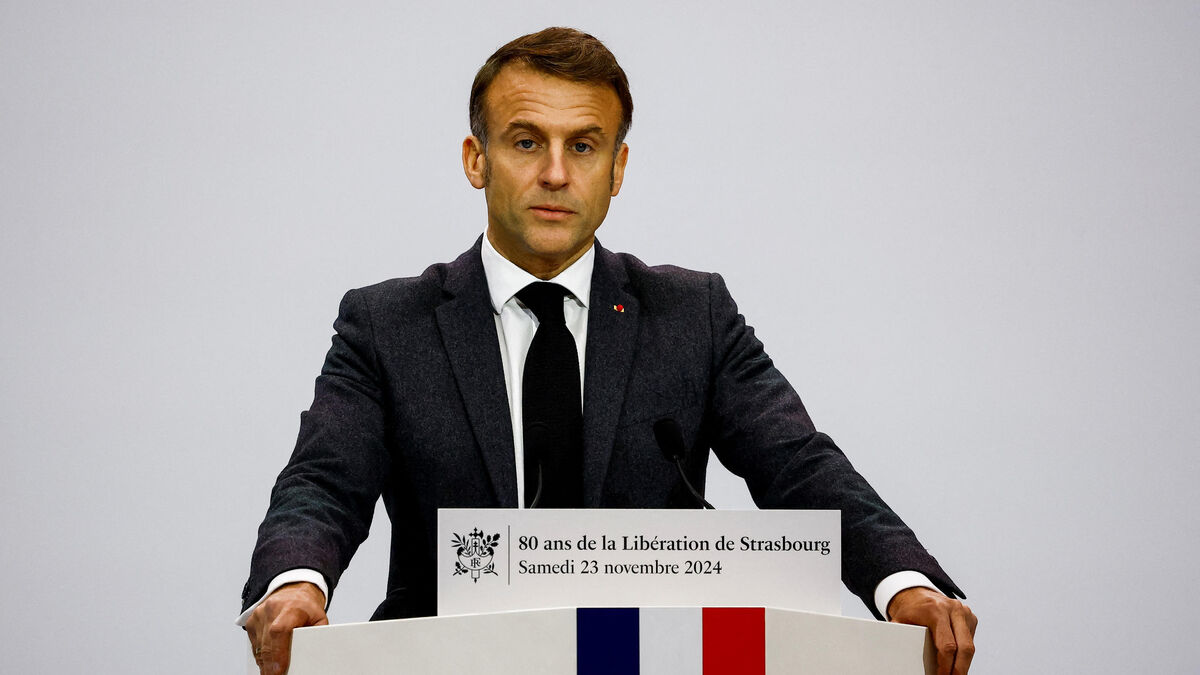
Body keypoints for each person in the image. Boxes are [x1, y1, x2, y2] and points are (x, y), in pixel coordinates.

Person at [240, 26, 978, 675]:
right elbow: (324, 483)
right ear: (477, 158)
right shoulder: (386, 323)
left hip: (655, 658)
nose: (555, 172)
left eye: (583, 145)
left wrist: (903, 582)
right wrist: (296, 582)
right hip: (448, 663)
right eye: (527, 141)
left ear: (618, 169)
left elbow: (800, 465)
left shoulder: (694, 315)